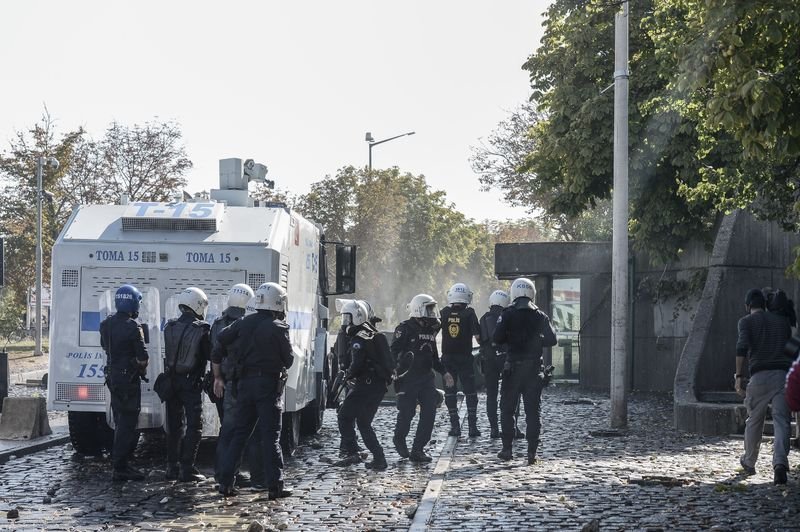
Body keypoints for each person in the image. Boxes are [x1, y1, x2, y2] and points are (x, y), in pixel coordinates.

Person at [214, 282, 294, 498]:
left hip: (244, 386)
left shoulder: (243, 323)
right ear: (277, 303)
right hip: (268, 387)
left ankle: (225, 483)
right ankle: (274, 486)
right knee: (270, 437)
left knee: (240, 434)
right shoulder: (278, 327)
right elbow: (288, 360)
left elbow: (221, 338)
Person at [493, 277, 557, 465]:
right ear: (532, 293)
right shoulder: (540, 315)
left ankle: (507, 449)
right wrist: (537, 342)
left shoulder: (507, 314)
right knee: (532, 413)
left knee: (507, 410)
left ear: (513, 292)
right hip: (533, 370)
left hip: (512, 369)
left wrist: (510, 339)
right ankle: (531, 453)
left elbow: (496, 337)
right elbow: (552, 340)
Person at [735, 288, 793, 485]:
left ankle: (750, 461)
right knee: (782, 421)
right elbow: (791, 348)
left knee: (754, 420)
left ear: (747, 305)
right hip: (782, 376)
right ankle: (780, 464)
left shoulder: (746, 322)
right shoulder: (782, 322)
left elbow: (741, 348)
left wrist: (739, 376)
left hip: (759, 376)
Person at [210, 283, 264, 488]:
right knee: (250, 431)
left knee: (228, 430)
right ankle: (253, 476)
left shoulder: (217, 324)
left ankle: (223, 473)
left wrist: (217, 378)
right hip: (243, 382)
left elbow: (212, 352)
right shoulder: (248, 323)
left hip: (223, 382)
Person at [392, 294, 454, 462]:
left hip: (426, 378)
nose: (432, 312)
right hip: (408, 379)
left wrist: (445, 372)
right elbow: (393, 351)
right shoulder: (404, 328)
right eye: (429, 308)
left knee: (429, 414)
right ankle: (399, 438)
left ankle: (418, 449)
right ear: (418, 308)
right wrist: (394, 370)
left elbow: (434, 356)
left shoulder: (430, 330)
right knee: (407, 413)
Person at [163, 287, 212, 482]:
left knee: (174, 425)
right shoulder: (202, 328)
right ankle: (187, 467)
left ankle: (171, 466)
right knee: (194, 425)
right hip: (191, 382)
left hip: (171, 380)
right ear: (198, 305)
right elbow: (209, 355)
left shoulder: (170, 325)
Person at [100, 284, 149, 481]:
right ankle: (120, 466)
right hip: (128, 379)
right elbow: (143, 357)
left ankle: (121, 462)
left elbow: (105, 346)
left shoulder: (106, 324)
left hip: (112, 376)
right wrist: (141, 368)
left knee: (120, 419)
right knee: (128, 423)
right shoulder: (133, 327)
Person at [336, 300, 391, 471]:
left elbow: (357, 363)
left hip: (365, 386)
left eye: (348, 318)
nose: (346, 322)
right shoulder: (373, 333)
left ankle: (352, 450)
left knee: (344, 415)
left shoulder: (359, 338)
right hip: (377, 386)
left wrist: (347, 376)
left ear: (357, 317)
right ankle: (379, 458)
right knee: (364, 422)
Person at [440, 283, 482, 437]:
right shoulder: (469, 313)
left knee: (450, 394)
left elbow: (432, 331)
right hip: (464, 358)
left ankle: (455, 427)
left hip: (447, 359)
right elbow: (478, 337)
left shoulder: (444, 312)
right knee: (470, 393)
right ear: (467, 297)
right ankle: (472, 428)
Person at [479, 289, 522, 439]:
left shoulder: (483, 318)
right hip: (506, 359)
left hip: (489, 360)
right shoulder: (508, 316)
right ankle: (513, 427)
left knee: (491, 395)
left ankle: (494, 428)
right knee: (511, 394)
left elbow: (480, 339)